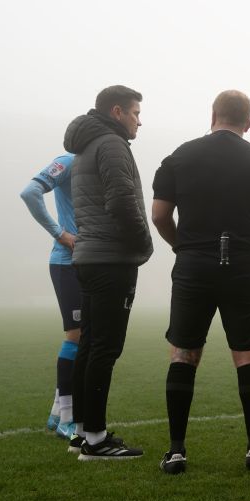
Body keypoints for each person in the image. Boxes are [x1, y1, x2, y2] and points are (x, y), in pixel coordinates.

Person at [151, 90, 250, 474]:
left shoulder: (179, 156)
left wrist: (184, 246)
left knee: (184, 353)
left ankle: (176, 451)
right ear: (248, 123)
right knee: (247, 355)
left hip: (193, 266)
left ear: (212, 115)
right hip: (243, 267)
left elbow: (160, 215)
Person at [62, 85, 154, 459]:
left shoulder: (86, 146)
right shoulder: (112, 145)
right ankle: (97, 441)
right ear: (117, 112)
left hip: (88, 256)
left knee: (89, 343)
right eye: (135, 113)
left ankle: (82, 431)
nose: (139, 121)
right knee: (106, 346)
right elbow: (121, 200)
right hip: (111, 259)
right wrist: (141, 244)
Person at [19, 153, 82, 440]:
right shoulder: (68, 161)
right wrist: (60, 233)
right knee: (76, 335)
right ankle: (68, 419)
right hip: (66, 263)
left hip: (84, 264)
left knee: (82, 336)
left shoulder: (98, 164)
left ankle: (58, 413)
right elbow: (30, 192)